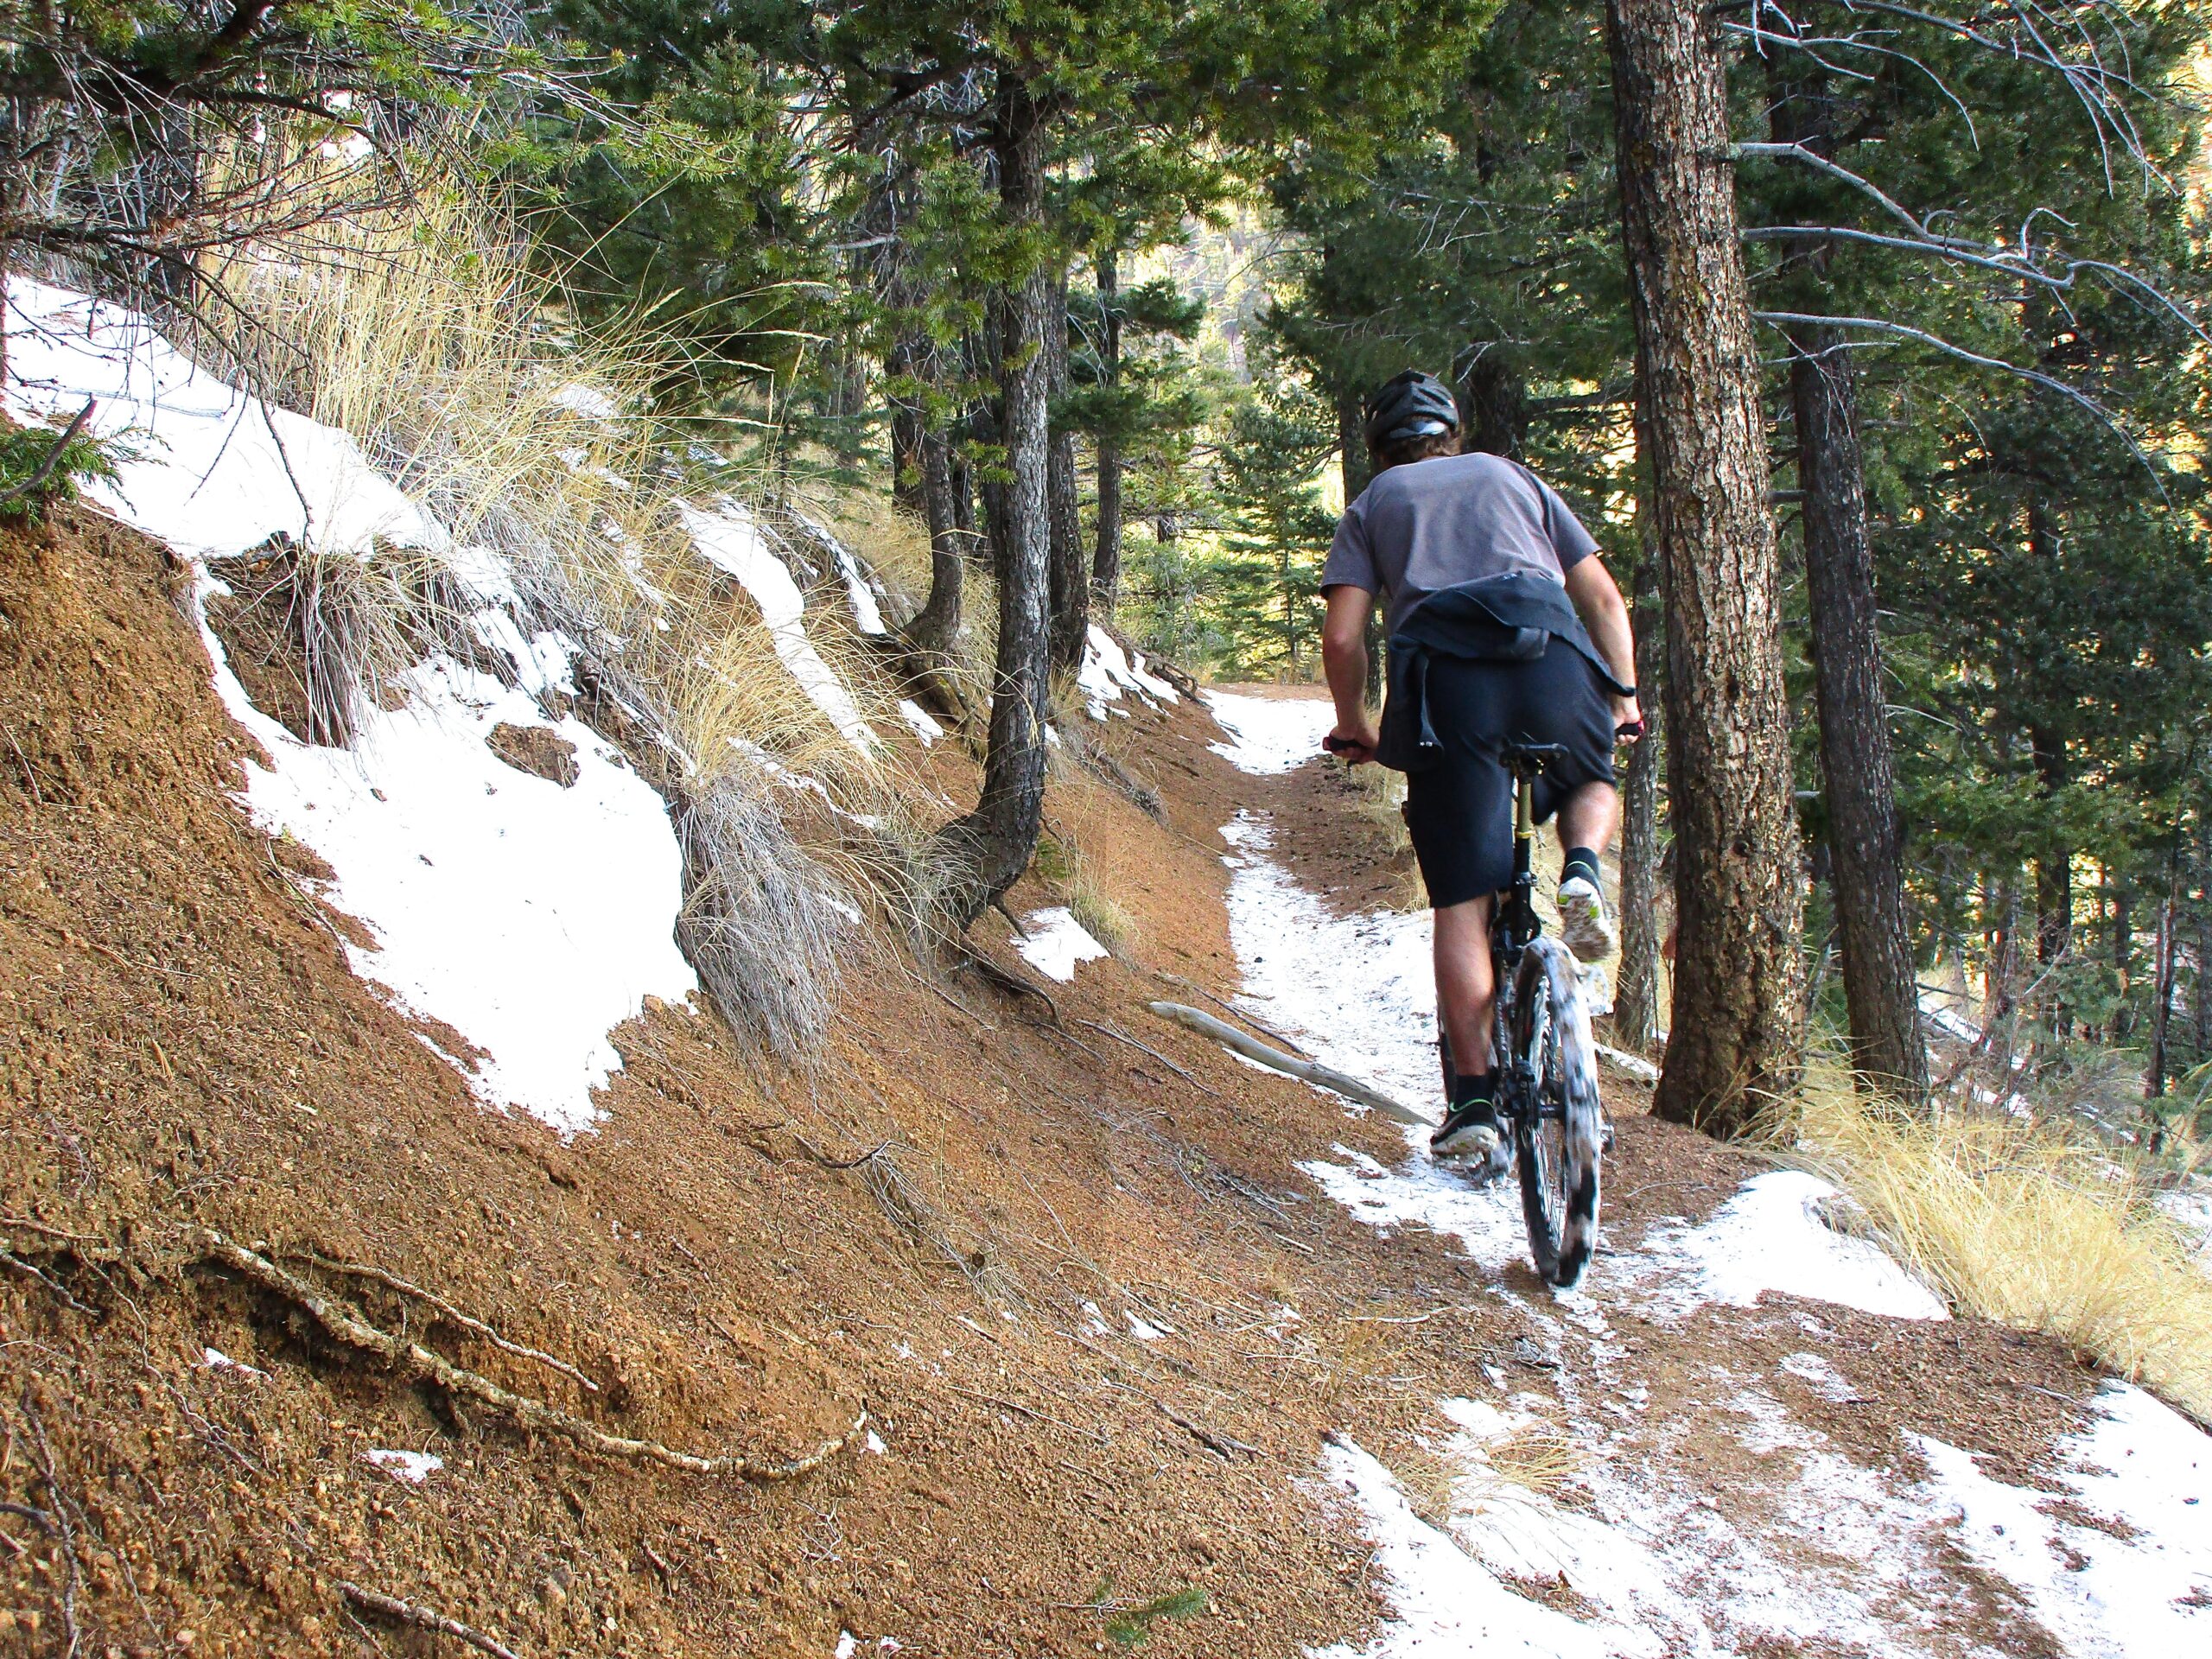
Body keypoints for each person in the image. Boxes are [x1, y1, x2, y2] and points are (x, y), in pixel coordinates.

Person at [1319, 370, 1641, 1164]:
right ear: (1452, 435)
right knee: (1591, 775)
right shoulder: (1514, 477)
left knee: (1462, 898)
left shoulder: (1375, 505)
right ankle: (1586, 870)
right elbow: (1601, 597)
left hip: (1448, 688)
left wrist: (1354, 724)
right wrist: (1624, 696)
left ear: (1379, 450)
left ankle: (1472, 1104)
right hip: (1551, 655)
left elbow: (1343, 638)